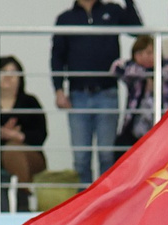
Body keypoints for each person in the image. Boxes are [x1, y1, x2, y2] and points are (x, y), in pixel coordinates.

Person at [52, 0, 142, 186]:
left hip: (107, 93)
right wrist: (59, 90)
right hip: (77, 95)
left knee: (107, 155)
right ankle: (84, 207)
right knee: (81, 158)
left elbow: (137, 30)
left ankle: (106, 206)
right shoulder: (66, 18)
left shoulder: (112, 10)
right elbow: (57, 56)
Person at [0, 55, 47, 209]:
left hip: (30, 157)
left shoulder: (30, 102)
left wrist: (18, 136)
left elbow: (41, 135)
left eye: (13, 72)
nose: (8, 77)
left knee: (12, 149)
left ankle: (21, 200)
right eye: (4, 72)